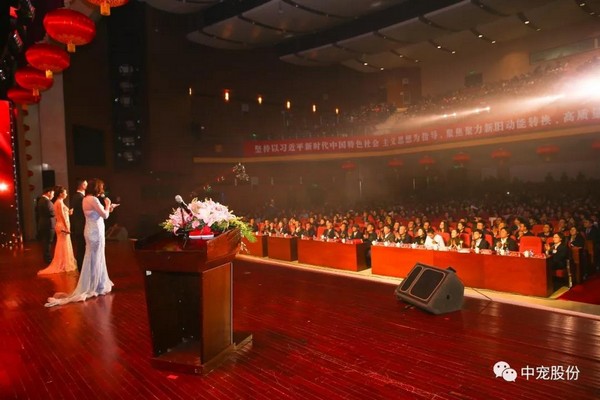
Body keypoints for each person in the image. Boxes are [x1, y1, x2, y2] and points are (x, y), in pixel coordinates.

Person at [45, 178, 119, 307]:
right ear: (97, 188)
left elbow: (99, 213)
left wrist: (108, 208)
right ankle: (96, 285)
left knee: (92, 257)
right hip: (95, 232)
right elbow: (105, 215)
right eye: (101, 187)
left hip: (90, 231)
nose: (102, 189)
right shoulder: (93, 199)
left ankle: (95, 283)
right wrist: (108, 204)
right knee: (96, 257)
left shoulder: (86, 199)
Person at [38, 186, 77, 275]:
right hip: (62, 225)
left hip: (61, 224)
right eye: (65, 192)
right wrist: (67, 227)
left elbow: (63, 213)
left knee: (63, 244)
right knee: (62, 244)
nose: (66, 194)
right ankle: (63, 263)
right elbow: (61, 216)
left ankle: (64, 261)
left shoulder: (59, 202)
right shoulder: (58, 202)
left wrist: (69, 212)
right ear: (61, 194)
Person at [71, 179, 87, 271]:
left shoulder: (76, 196)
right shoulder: (79, 197)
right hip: (81, 226)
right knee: (81, 248)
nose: (87, 186)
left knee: (81, 248)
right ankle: (81, 268)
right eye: (85, 184)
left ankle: (81, 267)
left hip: (78, 226)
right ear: (82, 185)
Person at [36, 187, 56, 264]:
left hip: (43, 224)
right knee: (48, 242)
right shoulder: (47, 201)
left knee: (45, 242)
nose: (53, 195)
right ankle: (48, 258)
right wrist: (57, 212)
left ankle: (46, 257)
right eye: (53, 193)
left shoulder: (40, 200)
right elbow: (51, 213)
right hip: (48, 224)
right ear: (48, 193)